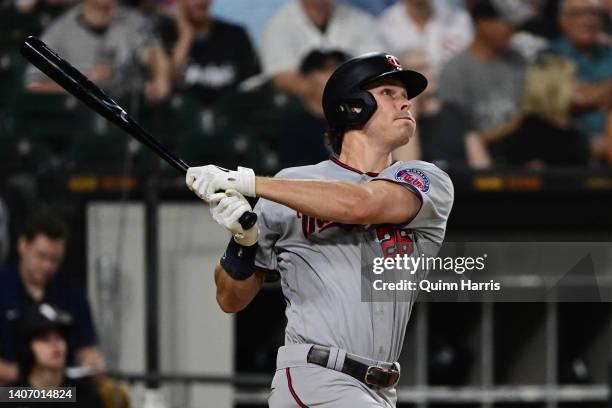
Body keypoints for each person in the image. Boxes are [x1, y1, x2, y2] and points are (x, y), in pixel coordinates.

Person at [185, 53, 454, 407]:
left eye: (405, 95)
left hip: (380, 389)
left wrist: (247, 182)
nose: (406, 102)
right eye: (389, 92)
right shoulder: (291, 185)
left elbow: (362, 204)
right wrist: (243, 241)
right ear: (352, 106)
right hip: (315, 377)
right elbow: (230, 299)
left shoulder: (425, 179)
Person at [0, 211, 104, 385]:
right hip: (11, 390)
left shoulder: (72, 292)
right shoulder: (3, 287)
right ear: (23, 246)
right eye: (41, 256)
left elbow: (87, 346)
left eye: (54, 259)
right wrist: (18, 373)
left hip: (61, 390)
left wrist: (91, 361)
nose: (47, 266)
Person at [24, 0, 171, 104]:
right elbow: (34, 86)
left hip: (127, 115)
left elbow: (153, 51)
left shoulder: (133, 21)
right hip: (79, 119)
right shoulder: (60, 30)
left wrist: (160, 78)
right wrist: (80, 84)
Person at [438, 0, 531, 158]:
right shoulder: (455, 70)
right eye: (506, 24)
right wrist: (504, 131)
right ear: (484, 24)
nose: (512, 31)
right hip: (473, 163)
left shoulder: (518, 62)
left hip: (519, 154)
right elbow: (453, 137)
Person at [260, 0, 382, 97]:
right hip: (303, 109)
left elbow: (376, 65)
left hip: (358, 97)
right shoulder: (278, 25)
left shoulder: (360, 19)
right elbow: (282, 77)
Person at [397, 48, 491, 168]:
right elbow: (405, 169)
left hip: (461, 184)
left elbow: (482, 167)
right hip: (423, 183)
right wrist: (410, 110)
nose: (423, 74)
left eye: (426, 67)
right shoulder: (398, 118)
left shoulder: (456, 112)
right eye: (414, 70)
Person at [545, 0, 612, 163]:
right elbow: (562, 103)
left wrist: (586, 93)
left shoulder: (609, 52)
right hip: (571, 147)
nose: (587, 20)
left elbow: (580, 98)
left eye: (594, 14)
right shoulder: (550, 55)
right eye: (578, 14)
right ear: (562, 19)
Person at [6, 303, 104, 408]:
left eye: (59, 337)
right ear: (27, 347)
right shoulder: (12, 398)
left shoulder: (85, 397)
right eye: (45, 339)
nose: (55, 345)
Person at [166, 0, 261, 106]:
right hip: (183, 117)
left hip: (231, 116)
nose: (200, 2)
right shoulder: (166, 35)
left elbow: (254, 84)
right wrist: (185, 37)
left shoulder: (236, 35)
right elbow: (165, 87)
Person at [503, 55, 590, 166]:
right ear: (553, 87)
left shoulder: (573, 129)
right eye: (572, 80)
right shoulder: (529, 134)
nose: (580, 85)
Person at [276, 49, 348, 168]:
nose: (334, 74)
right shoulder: (294, 125)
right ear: (306, 78)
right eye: (325, 69)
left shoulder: (354, 118)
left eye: (338, 68)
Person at [375, 0, 473, 76]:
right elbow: (379, 67)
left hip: (453, 89)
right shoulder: (385, 24)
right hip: (407, 90)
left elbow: (469, 61)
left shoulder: (459, 20)